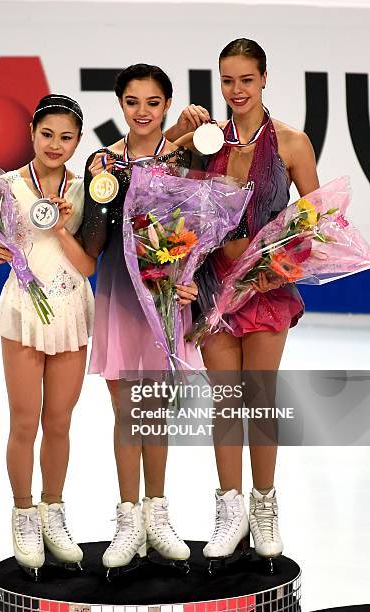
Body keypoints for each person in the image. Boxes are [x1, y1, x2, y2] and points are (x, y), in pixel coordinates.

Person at [166, 38, 319, 569]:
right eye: (227, 80)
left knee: (259, 400)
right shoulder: (205, 141)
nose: (235, 90)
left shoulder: (294, 144)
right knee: (226, 404)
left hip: (266, 289)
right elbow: (156, 182)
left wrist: (273, 268)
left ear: (264, 78)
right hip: (212, 290)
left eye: (245, 80)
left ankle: (265, 506)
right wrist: (177, 131)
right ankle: (229, 511)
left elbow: (314, 224)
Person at [81, 64, 202, 575]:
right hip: (118, 289)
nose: (143, 111)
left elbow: (201, 224)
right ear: (120, 105)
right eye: (133, 102)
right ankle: (129, 518)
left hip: (165, 293)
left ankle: (158, 512)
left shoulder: (185, 159)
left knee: (155, 408)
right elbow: (93, 239)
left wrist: (190, 275)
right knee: (126, 410)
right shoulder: (103, 161)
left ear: (167, 105)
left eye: (153, 102)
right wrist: (98, 196)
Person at [0, 94, 95, 578]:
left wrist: (64, 228)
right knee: (25, 421)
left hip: (70, 311)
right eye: (48, 135)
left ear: (79, 141)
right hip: (23, 310)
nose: (56, 145)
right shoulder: (3, 187)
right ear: (32, 135)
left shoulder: (88, 191)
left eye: (67, 137)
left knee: (59, 422)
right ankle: (23, 512)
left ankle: (53, 510)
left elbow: (86, 265)